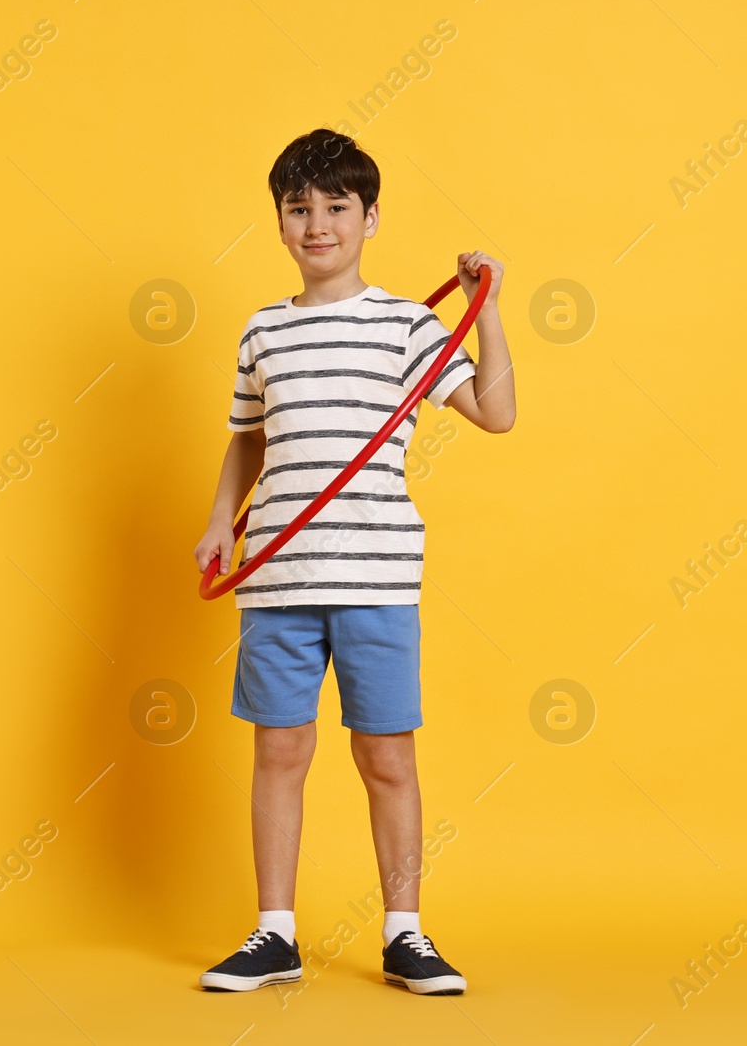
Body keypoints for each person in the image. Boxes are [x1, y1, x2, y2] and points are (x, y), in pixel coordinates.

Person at [193, 128, 516, 995]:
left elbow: (496, 412)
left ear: (370, 219)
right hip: (278, 581)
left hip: (375, 581)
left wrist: (482, 308)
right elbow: (248, 437)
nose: (317, 224)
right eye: (299, 209)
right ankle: (275, 934)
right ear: (281, 222)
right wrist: (222, 519)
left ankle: (405, 931)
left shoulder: (409, 326)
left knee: (388, 758)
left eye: (336, 207)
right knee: (279, 752)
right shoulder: (263, 331)